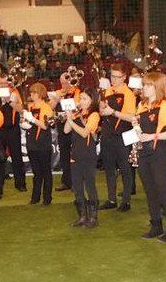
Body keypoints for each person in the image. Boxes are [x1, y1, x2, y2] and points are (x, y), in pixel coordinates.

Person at [121, 72, 166, 242]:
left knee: (163, 190)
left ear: (157, 87)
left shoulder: (165, 106)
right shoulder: (141, 105)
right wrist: (136, 125)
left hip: (159, 152)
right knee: (150, 191)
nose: (144, 88)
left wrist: (153, 136)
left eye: (148, 85)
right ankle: (156, 225)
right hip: (143, 153)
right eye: (144, 85)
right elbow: (140, 129)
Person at [99, 63, 137, 212]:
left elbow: (131, 117)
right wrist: (102, 109)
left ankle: (126, 201)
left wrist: (113, 112)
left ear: (124, 77)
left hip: (124, 134)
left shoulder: (128, 94)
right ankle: (111, 199)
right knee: (109, 168)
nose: (114, 79)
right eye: (112, 76)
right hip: (107, 134)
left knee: (125, 168)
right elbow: (102, 112)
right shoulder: (107, 91)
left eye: (117, 77)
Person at [63, 88, 102, 228]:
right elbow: (66, 130)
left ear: (92, 100)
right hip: (75, 153)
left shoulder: (94, 115)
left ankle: (93, 218)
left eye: (85, 98)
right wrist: (70, 116)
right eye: (81, 98)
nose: (81, 101)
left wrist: (72, 120)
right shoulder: (77, 113)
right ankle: (82, 216)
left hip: (88, 154)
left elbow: (85, 133)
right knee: (77, 187)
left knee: (90, 185)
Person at [0, 79, 27, 192]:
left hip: (12, 129)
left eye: (4, 83)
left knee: (17, 156)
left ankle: (20, 183)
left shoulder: (14, 92)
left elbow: (22, 109)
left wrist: (10, 101)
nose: (2, 85)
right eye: (0, 83)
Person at [22, 83, 54, 205]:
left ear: (41, 93)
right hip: (32, 143)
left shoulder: (46, 107)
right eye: (31, 92)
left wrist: (32, 120)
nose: (32, 94)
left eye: (34, 92)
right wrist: (24, 122)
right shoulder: (30, 106)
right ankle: (35, 197)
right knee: (36, 172)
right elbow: (26, 121)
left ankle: (47, 198)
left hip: (43, 143)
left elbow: (45, 126)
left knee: (46, 171)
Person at [49, 72, 80, 192]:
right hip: (61, 127)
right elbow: (50, 107)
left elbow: (76, 107)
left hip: (74, 126)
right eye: (62, 83)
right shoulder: (58, 92)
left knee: (75, 154)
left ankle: (76, 181)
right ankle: (66, 181)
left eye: (66, 83)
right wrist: (56, 100)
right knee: (64, 154)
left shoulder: (77, 91)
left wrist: (62, 100)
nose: (64, 85)